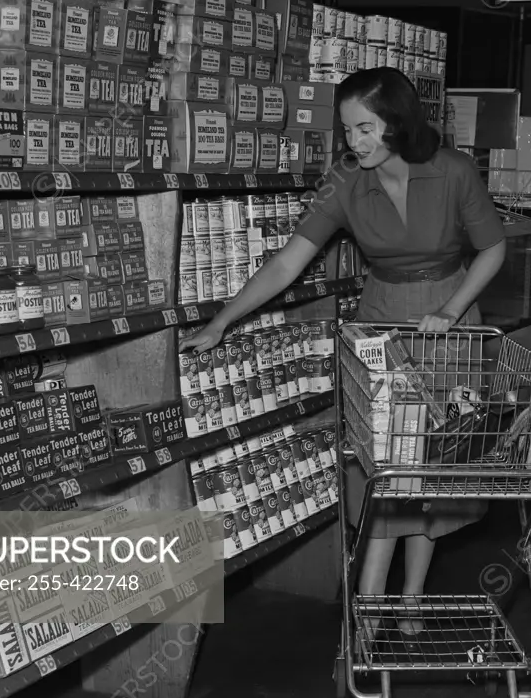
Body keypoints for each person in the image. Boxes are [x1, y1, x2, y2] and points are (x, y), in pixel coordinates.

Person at [179, 66, 506, 641]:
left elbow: (493, 250)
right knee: (382, 468)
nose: (352, 142)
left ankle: (408, 601)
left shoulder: (454, 171)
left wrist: (451, 311)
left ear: (398, 125)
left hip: (449, 327)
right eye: (347, 130)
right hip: (380, 325)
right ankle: (369, 612)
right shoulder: (344, 182)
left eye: (364, 129)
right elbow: (287, 262)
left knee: (428, 468)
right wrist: (223, 320)